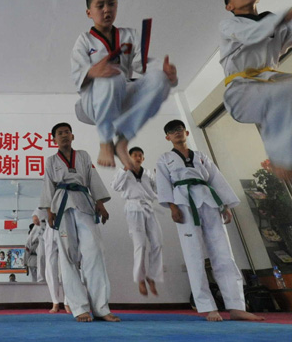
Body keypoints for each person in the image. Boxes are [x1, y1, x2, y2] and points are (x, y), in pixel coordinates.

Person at [156, 119, 264, 322]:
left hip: (209, 202)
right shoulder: (164, 159)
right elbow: (162, 184)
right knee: (194, 254)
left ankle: (236, 306)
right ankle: (208, 307)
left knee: (224, 253)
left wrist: (226, 205)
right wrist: (172, 207)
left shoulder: (202, 156)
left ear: (186, 132)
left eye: (180, 129)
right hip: (184, 204)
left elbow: (216, 179)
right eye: (172, 131)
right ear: (167, 137)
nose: (177, 133)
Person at [71, 0, 177, 170]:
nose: (106, 10)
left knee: (160, 79)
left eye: (111, 4)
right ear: (89, 12)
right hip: (93, 101)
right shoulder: (84, 40)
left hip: (122, 95)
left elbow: (141, 64)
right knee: (114, 75)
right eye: (100, 5)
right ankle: (105, 141)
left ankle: (122, 141)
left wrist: (164, 70)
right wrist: (93, 71)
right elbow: (77, 74)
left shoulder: (130, 35)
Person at [40, 122, 119, 323]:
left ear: (72, 136)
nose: (64, 135)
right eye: (60, 133)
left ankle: (101, 308)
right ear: (54, 139)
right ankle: (79, 307)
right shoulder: (50, 161)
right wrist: (49, 211)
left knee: (95, 252)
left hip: (84, 204)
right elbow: (48, 186)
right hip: (62, 206)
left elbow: (93, 178)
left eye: (67, 132)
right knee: (68, 256)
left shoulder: (83, 156)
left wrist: (100, 203)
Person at [219, 0, 292, 181]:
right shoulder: (229, 25)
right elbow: (252, 34)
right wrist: (285, 15)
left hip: (271, 84)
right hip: (241, 91)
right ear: (229, 6)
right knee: (285, 92)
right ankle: (281, 158)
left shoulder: (274, 24)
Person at [110, 146, 163, 296]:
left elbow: (158, 191)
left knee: (158, 242)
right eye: (134, 155)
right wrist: (124, 169)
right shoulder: (124, 173)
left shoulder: (148, 174)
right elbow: (114, 187)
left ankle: (152, 276)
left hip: (149, 208)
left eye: (140, 155)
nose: (137, 157)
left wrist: (159, 177)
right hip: (133, 208)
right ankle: (140, 278)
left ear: (143, 158)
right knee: (140, 244)